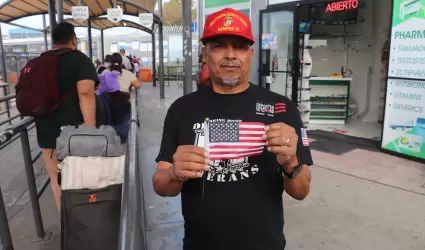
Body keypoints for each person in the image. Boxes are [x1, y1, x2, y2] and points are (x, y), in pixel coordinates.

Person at [152, 8, 313, 250]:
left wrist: (291, 163)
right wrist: (175, 172)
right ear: (205, 54)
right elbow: (160, 184)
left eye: (239, 46)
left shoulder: (283, 108)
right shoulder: (181, 109)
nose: (230, 55)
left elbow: (302, 191)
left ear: (251, 53)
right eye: (218, 46)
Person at [34, 22, 105, 211]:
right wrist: (91, 132)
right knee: (83, 179)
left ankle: (66, 224)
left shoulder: (40, 61)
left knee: (56, 180)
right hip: (76, 134)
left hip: (47, 135)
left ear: (53, 41)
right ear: (73, 40)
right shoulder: (79, 59)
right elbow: (85, 93)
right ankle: (85, 221)